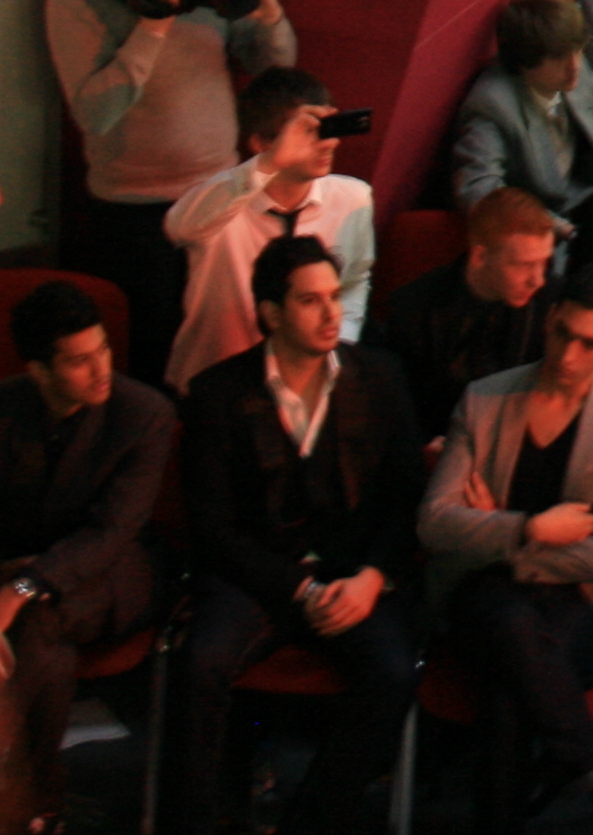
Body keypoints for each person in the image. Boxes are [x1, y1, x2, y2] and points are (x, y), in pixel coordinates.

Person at [171, 238, 422, 835]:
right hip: (257, 576)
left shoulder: (380, 377)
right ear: (271, 313)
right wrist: (299, 589)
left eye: (335, 298)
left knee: (392, 673)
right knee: (198, 662)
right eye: (311, 301)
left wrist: (372, 578)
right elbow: (211, 530)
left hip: (352, 572)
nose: (332, 313)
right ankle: (202, 823)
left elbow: (406, 496)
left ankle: (312, 823)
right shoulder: (216, 394)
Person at [46, 0, 297, 388]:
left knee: (230, 352)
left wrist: (269, 16)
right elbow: (96, 114)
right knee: (155, 361)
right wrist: (152, 26)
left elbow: (270, 68)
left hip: (220, 197)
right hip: (137, 216)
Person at [415, 272, 593, 835]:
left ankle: (587, 796)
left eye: (588, 344)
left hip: (584, 604)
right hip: (481, 598)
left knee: (510, 670)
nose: (567, 354)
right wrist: (532, 526)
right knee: (508, 625)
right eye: (561, 333)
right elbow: (434, 523)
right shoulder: (484, 401)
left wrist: (501, 540)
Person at [0, 282, 175, 829]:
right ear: (38, 370)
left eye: (102, 349)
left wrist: (20, 586)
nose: (101, 369)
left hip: (119, 570)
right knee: (40, 630)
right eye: (80, 361)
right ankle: (36, 803)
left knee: (36, 613)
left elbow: (110, 533)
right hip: (24, 574)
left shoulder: (143, 414)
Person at [164, 69, 376, 388]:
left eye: (328, 128)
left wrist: (337, 341)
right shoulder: (224, 200)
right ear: (260, 142)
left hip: (310, 379)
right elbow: (179, 227)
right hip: (216, 381)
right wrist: (269, 163)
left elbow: (354, 279)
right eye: (309, 133)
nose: (328, 143)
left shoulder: (353, 199)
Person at [363, 188, 559, 435]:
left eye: (544, 262)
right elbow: (397, 408)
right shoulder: (413, 309)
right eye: (525, 265)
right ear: (480, 256)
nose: (538, 280)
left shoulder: (554, 301)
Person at [450, 0, 593, 219]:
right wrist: (548, 224)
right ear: (524, 62)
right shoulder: (491, 106)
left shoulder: (573, 72)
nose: (575, 67)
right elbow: (480, 192)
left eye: (578, 51)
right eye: (559, 57)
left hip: (592, 201)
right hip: (544, 229)